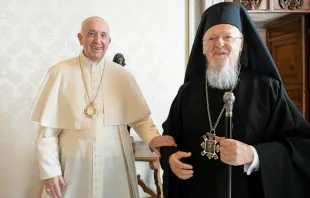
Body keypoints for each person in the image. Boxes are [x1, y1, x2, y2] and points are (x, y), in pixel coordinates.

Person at [160, 2, 310, 198]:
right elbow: (170, 136)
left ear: (241, 45)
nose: (219, 44)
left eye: (228, 37)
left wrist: (253, 155)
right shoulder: (188, 91)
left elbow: (301, 145)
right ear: (203, 48)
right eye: (211, 38)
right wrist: (171, 158)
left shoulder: (267, 88)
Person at [30, 16, 176, 198]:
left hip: (115, 167)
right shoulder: (59, 72)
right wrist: (50, 171)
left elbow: (140, 119)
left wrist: (153, 138)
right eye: (91, 34)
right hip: (73, 167)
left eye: (103, 35)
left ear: (109, 41)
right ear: (80, 38)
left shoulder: (122, 75)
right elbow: (47, 131)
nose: (97, 41)